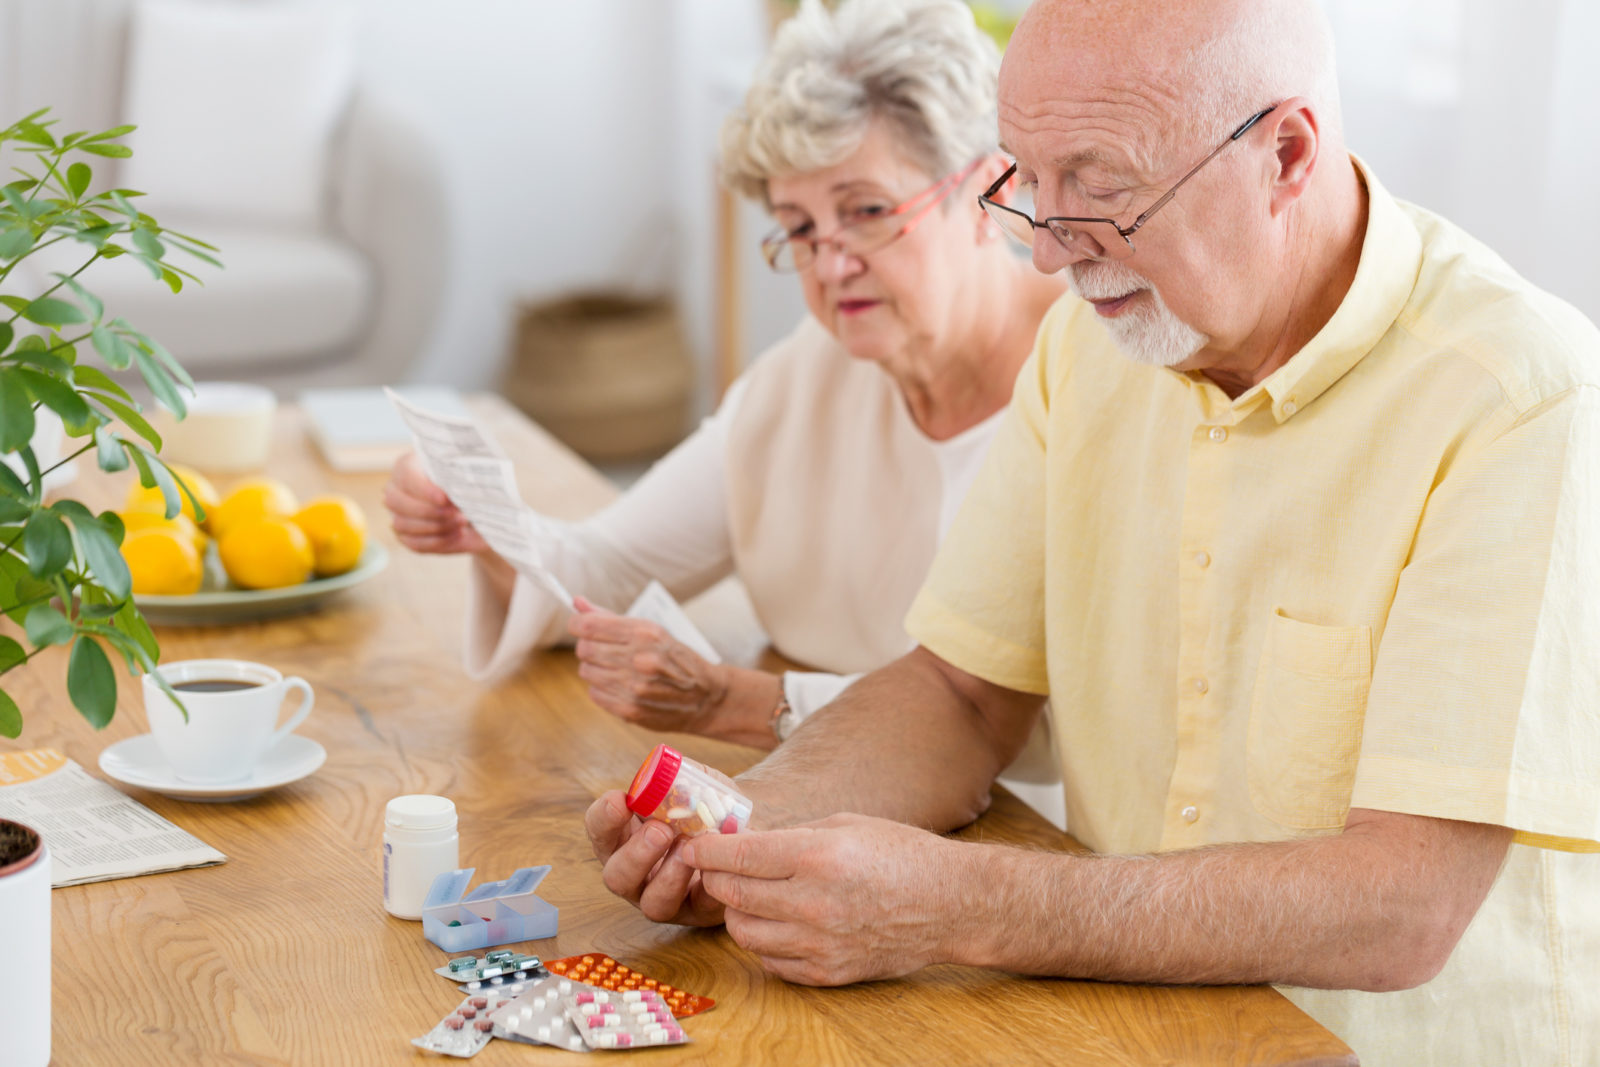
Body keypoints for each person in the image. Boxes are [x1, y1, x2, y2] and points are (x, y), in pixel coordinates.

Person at [582, 1, 1600, 1063]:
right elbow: (961, 692)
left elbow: (1405, 901)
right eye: (1026, 179)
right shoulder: (1088, 345)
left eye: (1102, 186)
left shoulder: (1519, 398)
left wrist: (972, 904)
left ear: (1285, 154)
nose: (1044, 256)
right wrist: (742, 833)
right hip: (1125, 1026)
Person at [382, 0, 1066, 812]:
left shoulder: (1086, 379)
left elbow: (1030, 727)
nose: (832, 264)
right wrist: (487, 524)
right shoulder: (805, 380)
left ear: (988, 191)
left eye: (867, 211)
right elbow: (606, 573)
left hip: (1020, 840)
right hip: (822, 801)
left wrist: (736, 700)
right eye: (799, 228)